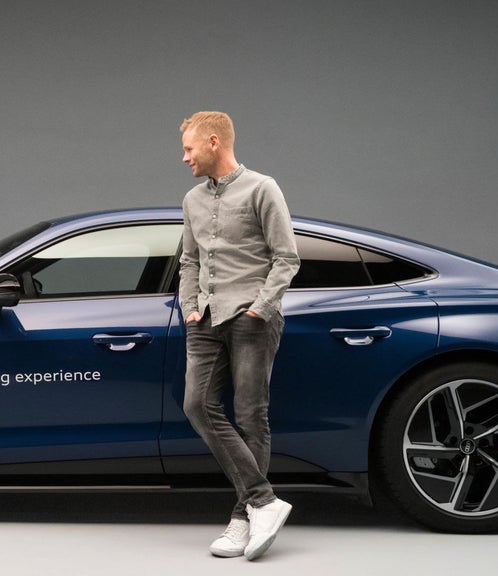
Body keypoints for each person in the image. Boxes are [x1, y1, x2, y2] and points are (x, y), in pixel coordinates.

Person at [178, 111, 300, 560]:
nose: (184, 157)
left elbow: (286, 258)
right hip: (205, 320)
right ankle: (264, 502)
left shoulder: (262, 188)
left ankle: (242, 518)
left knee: (250, 416)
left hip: (251, 318)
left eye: (189, 148)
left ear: (213, 142)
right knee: (197, 405)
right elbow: (189, 260)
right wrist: (190, 309)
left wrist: (260, 308)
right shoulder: (191, 199)